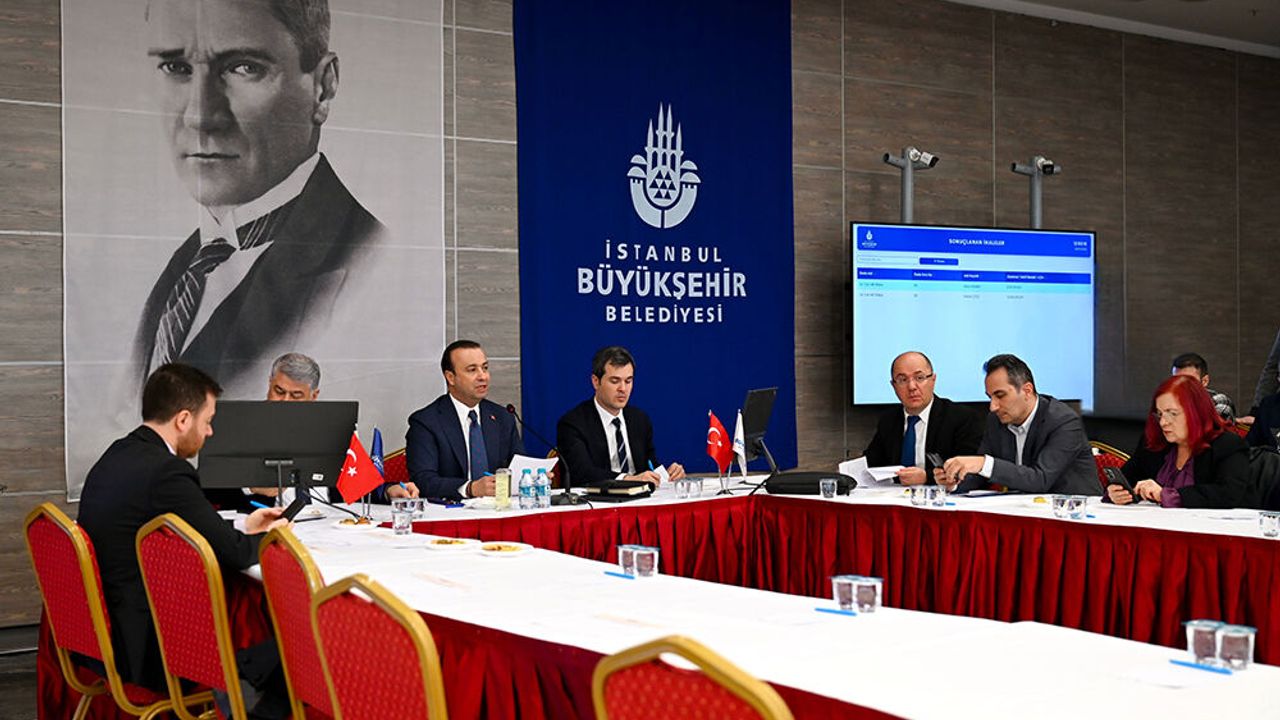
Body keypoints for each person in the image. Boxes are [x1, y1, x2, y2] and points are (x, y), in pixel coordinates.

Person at [130, 0, 390, 397]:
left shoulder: (364, 260)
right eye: (176, 68)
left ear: (322, 87)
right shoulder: (183, 269)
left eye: (243, 68)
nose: (199, 116)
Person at [77, 364, 288, 694]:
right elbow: (235, 553)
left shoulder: (120, 452)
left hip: (98, 630)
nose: (210, 433)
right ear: (184, 420)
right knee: (284, 647)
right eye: (208, 421)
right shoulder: (167, 472)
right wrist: (278, 537)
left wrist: (244, 523)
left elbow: (186, 523)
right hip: (147, 646)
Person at [206, 353, 418, 510]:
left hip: (331, 526)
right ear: (269, 384)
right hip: (269, 529)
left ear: (313, 396)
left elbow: (359, 484)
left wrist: (390, 491)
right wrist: (249, 486)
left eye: (296, 395)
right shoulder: (241, 425)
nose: (285, 401)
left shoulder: (334, 429)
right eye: (279, 391)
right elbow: (207, 488)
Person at [940, 354, 1098, 495]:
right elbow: (981, 476)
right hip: (1023, 510)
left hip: (1075, 512)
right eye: (990, 397)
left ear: (1027, 391)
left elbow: (1040, 480)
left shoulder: (1064, 421)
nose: (993, 407)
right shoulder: (996, 420)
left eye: (1000, 395)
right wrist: (953, 481)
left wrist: (983, 463)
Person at [1107, 374, 1249, 508]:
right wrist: (1116, 493)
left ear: (1197, 413)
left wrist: (1166, 495)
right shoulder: (1153, 442)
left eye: (1172, 414)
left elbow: (1228, 494)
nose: (1163, 422)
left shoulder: (1227, 445)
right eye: (1160, 414)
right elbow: (1127, 480)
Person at [405, 341, 524, 500]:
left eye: (485, 368)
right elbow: (423, 481)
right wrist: (470, 488)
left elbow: (517, 465)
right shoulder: (426, 422)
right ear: (450, 377)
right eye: (472, 370)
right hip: (451, 510)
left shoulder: (502, 417)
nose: (483, 376)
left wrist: (531, 477)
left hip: (498, 507)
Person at [556, 346, 686, 488]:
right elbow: (582, 473)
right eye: (615, 381)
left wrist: (667, 474)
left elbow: (649, 465)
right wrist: (627, 479)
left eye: (628, 381)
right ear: (596, 381)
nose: (623, 389)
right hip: (600, 498)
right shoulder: (573, 423)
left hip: (640, 497)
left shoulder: (640, 420)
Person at [862, 351, 984, 485]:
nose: (912, 387)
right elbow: (871, 463)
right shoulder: (889, 420)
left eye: (919, 378)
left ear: (933, 379)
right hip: (895, 494)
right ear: (893, 385)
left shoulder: (961, 417)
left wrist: (927, 477)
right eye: (902, 380)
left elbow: (970, 471)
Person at [1171, 353, 1237, 423]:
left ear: (1205, 381)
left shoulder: (1219, 401)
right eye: (1176, 380)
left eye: (1189, 381)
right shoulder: (1169, 400)